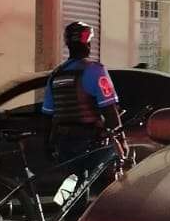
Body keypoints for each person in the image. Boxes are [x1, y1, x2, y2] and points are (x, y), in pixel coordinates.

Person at [41, 20, 126, 177]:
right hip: (90, 142)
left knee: (72, 184)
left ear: (68, 45)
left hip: (63, 143)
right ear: (88, 44)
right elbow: (110, 110)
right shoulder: (95, 70)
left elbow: (47, 115)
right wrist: (121, 140)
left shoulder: (55, 75)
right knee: (102, 183)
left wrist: (47, 144)